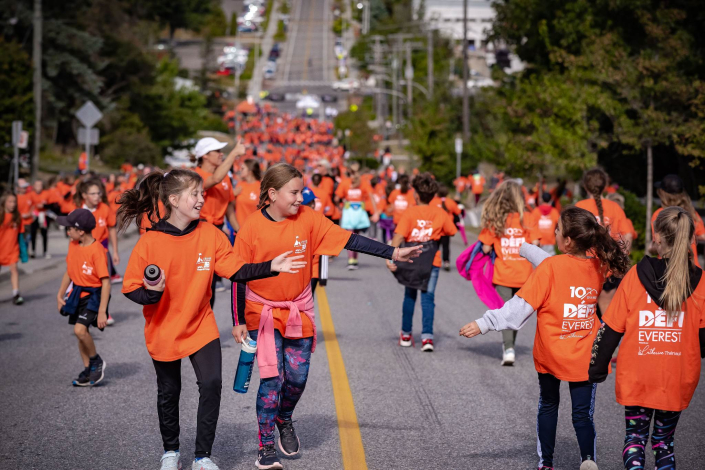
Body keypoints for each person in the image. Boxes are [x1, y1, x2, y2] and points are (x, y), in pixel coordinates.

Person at [232, 163, 421, 469]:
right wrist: (237, 318)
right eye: (294, 192)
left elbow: (350, 240)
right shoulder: (251, 227)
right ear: (272, 193)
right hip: (261, 311)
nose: (300, 197)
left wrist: (393, 252)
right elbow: (237, 274)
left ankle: (285, 417)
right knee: (271, 380)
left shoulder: (308, 218)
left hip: (299, 309)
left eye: (300, 191)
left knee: (296, 379)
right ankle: (265, 445)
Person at [119, 169, 307, 470]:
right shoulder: (150, 241)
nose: (201, 199)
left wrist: (271, 265)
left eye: (201, 193)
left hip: (200, 324)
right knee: (169, 391)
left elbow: (237, 271)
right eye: (195, 194)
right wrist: (152, 294)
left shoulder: (210, 234)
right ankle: (170, 452)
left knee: (211, 383)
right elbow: (130, 288)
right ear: (174, 199)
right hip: (164, 327)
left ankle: (202, 456)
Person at [461, 206, 631, 470]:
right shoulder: (598, 265)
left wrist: (484, 323)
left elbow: (518, 310)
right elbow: (561, 263)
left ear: (567, 241)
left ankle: (547, 464)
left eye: (558, 230)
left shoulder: (550, 268)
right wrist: (527, 249)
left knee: (549, 405)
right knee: (583, 415)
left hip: (551, 352)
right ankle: (588, 459)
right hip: (585, 355)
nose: (554, 232)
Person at [589, 206, 705, 470]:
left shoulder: (635, 277)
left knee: (635, 439)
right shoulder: (700, 281)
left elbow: (611, 328)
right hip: (676, 377)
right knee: (664, 443)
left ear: (656, 237)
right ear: (689, 240)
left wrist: (596, 368)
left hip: (637, 376)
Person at [389, 173, 457, 351]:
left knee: (409, 296)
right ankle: (427, 338)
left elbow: (399, 236)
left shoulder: (410, 212)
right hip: (431, 261)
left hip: (411, 259)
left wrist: (390, 256)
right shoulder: (440, 212)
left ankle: (405, 334)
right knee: (428, 299)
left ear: (416, 195)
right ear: (433, 195)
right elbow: (452, 231)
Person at [55, 209, 111, 387]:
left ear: (80, 231)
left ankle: (96, 361)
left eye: (69, 228)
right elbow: (69, 272)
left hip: (94, 295)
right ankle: (88, 370)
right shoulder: (73, 244)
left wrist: (102, 312)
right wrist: (60, 294)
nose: (67, 231)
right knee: (81, 334)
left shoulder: (97, 251)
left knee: (79, 330)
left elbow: (106, 283)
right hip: (77, 294)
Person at [193, 137, 246, 303]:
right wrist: (234, 154)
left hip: (217, 231)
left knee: (212, 284)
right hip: (199, 231)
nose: (221, 154)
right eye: (217, 151)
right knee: (201, 281)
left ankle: (205, 322)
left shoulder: (225, 178)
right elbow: (213, 180)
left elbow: (229, 209)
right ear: (205, 155)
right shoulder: (195, 176)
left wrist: (241, 232)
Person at [576, 168, 632, 316]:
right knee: (608, 313)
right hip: (609, 265)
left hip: (585, 266)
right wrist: (621, 257)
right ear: (605, 184)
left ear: (585, 186)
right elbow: (628, 235)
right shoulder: (615, 207)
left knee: (585, 311)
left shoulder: (580, 206)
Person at [75, 179, 120, 325]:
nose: (97, 196)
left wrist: (115, 252)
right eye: (93, 193)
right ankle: (83, 309)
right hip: (83, 252)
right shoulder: (78, 211)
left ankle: (104, 312)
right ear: (84, 195)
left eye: (98, 193)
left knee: (104, 282)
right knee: (84, 282)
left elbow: (112, 229)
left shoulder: (105, 209)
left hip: (102, 251)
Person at [650, 174, 705, 267]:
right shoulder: (691, 213)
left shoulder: (660, 215)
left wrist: (650, 249)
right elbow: (703, 236)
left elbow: (658, 244)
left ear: (662, 193)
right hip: (691, 267)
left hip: (668, 267)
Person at [336, 172, 377, 270]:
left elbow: (371, 196)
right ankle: (352, 259)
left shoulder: (362, 183)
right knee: (351, 235)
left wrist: (375, 212)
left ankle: (354, 259)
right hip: (353, 212)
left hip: (356, 212)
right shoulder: (345, 183)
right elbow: (337, 197)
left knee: (355, 236)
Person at [0, 192, 25, 305]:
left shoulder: (17, 216)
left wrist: (23, 252)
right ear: (4, 202)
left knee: (14, 270)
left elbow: (20, 235)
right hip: (1, 249)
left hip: (12, 249)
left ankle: (16, 294)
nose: (13, 204)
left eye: (14, 201)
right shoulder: (1, 215)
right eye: (10, 201)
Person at [431, 184, 462, 271]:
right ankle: (446, 261)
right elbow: (458, 211)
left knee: (435, 246)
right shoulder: (450, 202)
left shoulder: (433, 202)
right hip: (446, 229)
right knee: (446, 247)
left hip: (435, 228)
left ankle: (433, 261)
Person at [233, 158, 262, 228]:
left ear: (250, 171)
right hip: (239, 229)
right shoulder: (240, 185)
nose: (240, 170)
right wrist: (233, 194)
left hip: (254, 229)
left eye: (243, 168)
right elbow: (233, 205)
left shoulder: (260, 187)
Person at [30, 179, 51, 259]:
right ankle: (33, 250)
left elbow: (51, 205)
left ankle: (45, 251)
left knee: (44, 233)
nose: (38, 187)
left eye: (40, 185)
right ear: (34, 186)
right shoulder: (31, 194)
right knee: (33, 233)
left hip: (44, 215)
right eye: (37, 185)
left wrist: (44, 206)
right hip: (34, 215)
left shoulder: (46, 193)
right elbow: (29, 205)